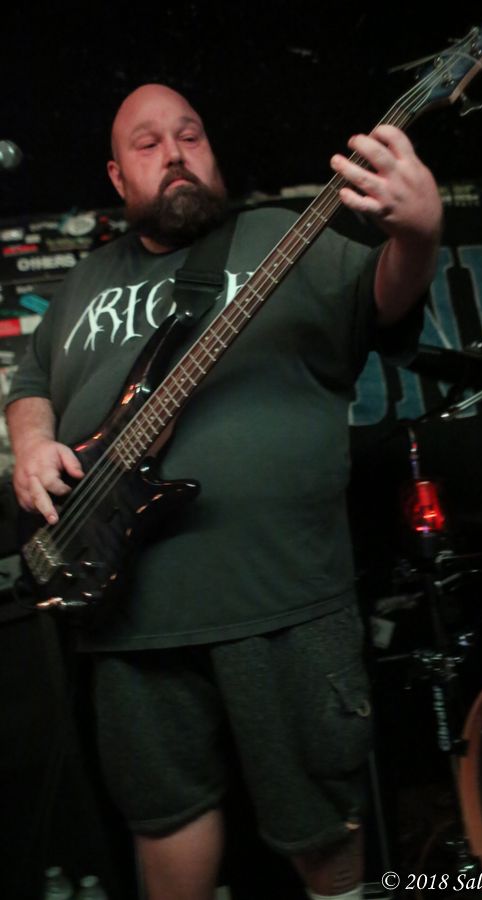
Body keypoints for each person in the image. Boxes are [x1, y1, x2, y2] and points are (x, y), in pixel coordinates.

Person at [5, 84, 442, 900]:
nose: (174, 153)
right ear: (116, 176)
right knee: (164, 823)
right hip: (120, 611)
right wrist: (32, 444)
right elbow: (30, 383)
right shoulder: (86, 280)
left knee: (323, 833)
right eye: (147, 143)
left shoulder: (283, 235)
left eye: (190, 134)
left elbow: (385, 297)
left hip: (279, 599)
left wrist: (418, 232)